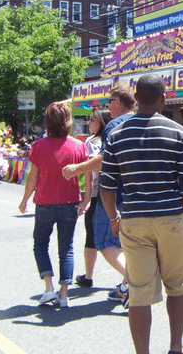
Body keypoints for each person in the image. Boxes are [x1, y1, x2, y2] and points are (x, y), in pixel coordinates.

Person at [100, 74, 183, 354]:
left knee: (139, 292)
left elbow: (106, 186)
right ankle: (175, 347)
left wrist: (113, 217)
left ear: (135, 99)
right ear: (163, 99)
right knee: (178, 286)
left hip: (134, 220)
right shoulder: (179, 133)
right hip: (171, 218)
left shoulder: (117, 135)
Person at [62, 86, 135, 305]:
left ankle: (135, 283)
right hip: (139, 196)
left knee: (104, 242)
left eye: (109, 101)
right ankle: (126, 287)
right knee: (127, 245)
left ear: (118, 103)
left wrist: (77, 168)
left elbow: (105, 160)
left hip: (114, 194)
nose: (108, 106)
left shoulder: (114, 125)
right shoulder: (145, 121)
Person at [18, 102, 91, 308]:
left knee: (40, 244)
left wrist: (24, 200)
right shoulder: (79, 146)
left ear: (47, 122)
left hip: (44, 203)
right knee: (66, 248)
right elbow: (88, 175)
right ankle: (64, 294)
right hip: (70, 203)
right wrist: (86, 200)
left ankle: (49, 286)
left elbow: (33, 177)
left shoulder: (38, 146)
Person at [75, 109, 112, 288]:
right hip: (115, 193)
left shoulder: (91, 142)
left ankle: (88, 276)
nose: (89, 122)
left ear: (102, 122)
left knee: (92, 236)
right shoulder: (113, 139)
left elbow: (89, 173)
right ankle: (126, 281)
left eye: (92, 119)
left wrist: (86, 199)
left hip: (98, 194)